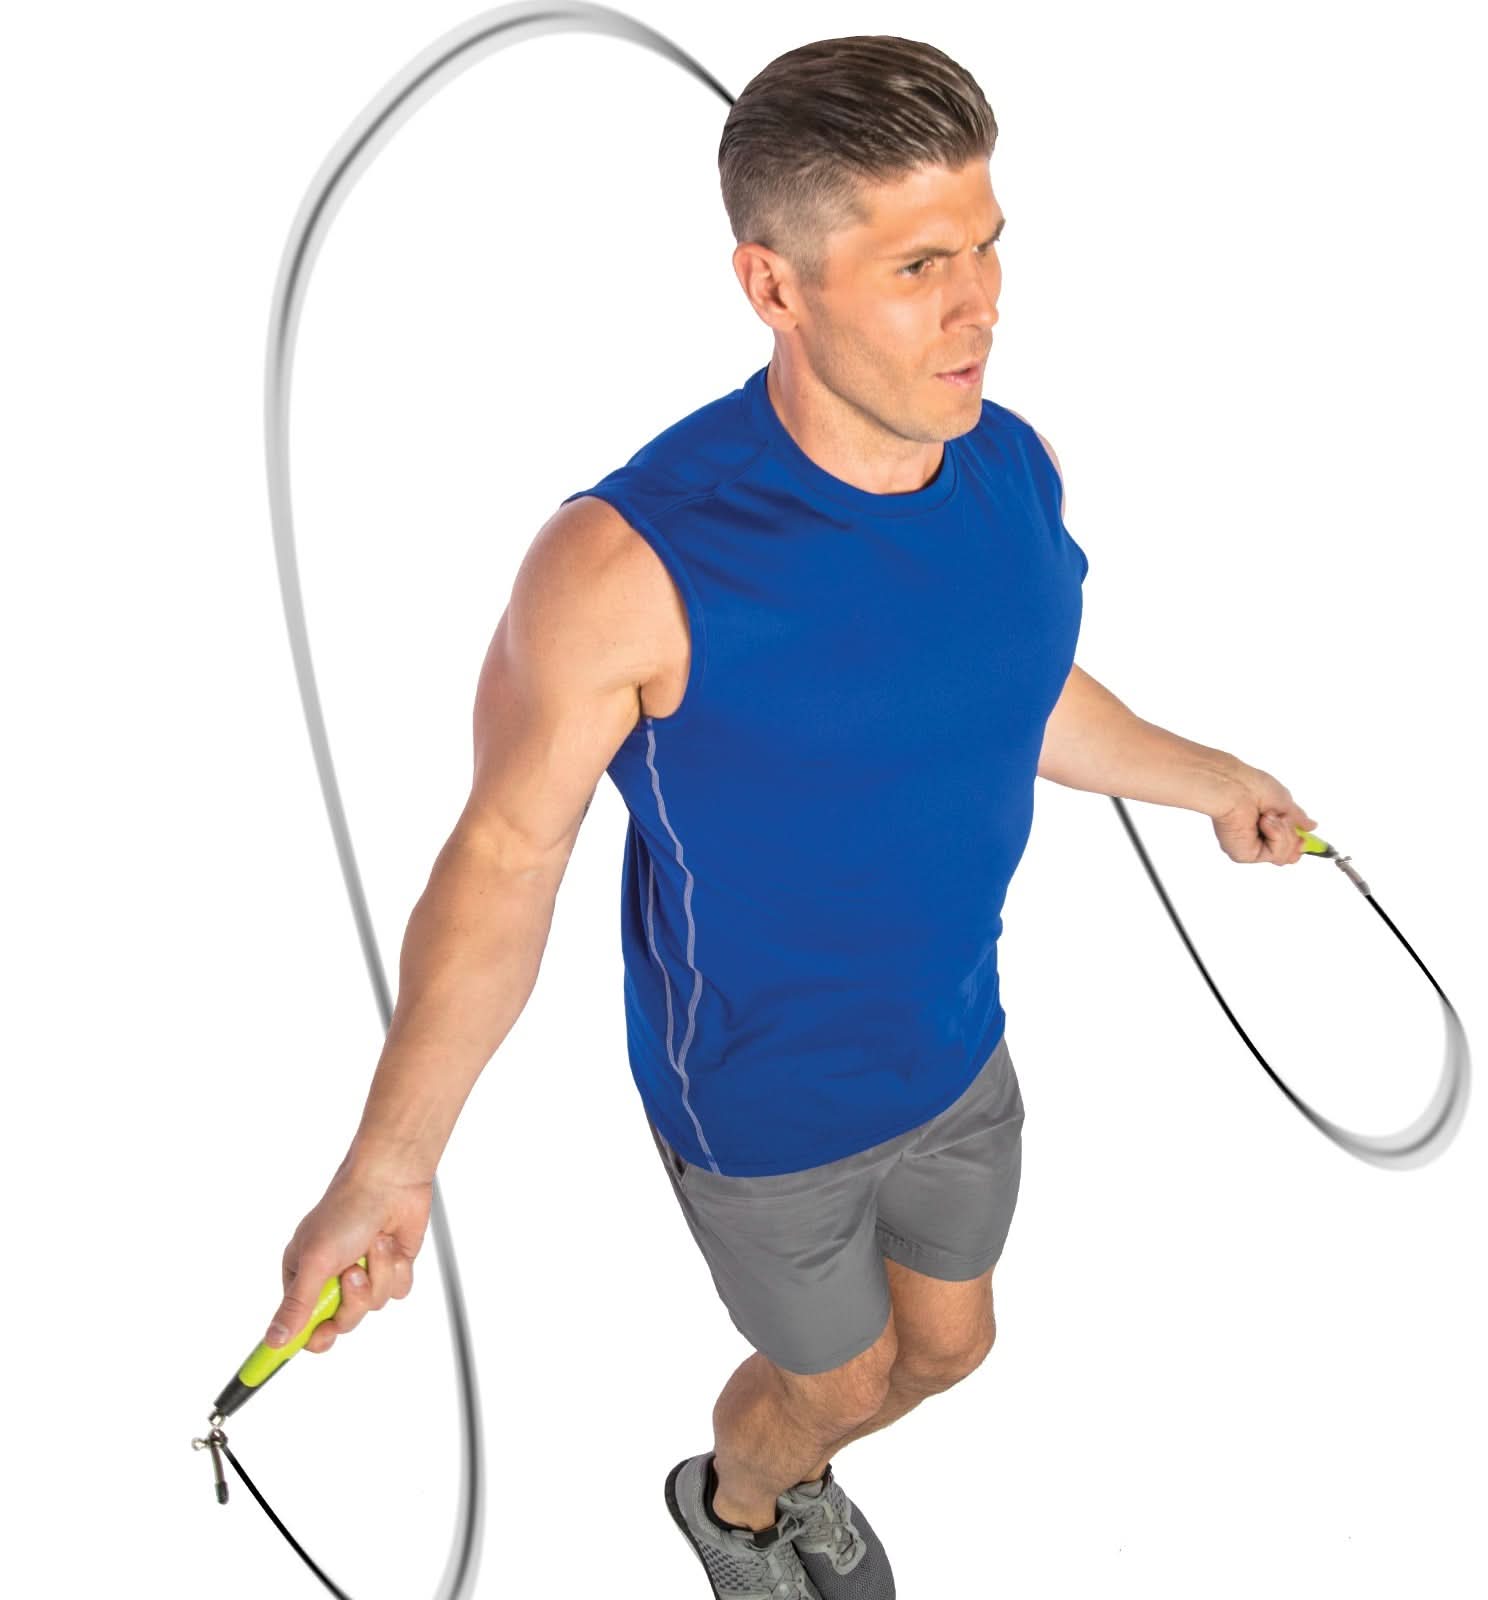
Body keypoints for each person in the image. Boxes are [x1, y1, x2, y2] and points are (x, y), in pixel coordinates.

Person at [263, 34, 1316, 1600]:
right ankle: (741, 1503)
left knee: (949, 1350)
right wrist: (388, 1167)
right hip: (760, 1107)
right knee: (833, 1378)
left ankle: (791, 1465)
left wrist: (1213, 778)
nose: (980, 307)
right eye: (918, 268)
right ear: (775, 286)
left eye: (987, 247)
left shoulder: (1008, 469)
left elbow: (1014, 687)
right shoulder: (627, 566)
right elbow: (504, 866)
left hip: (957, 1048)